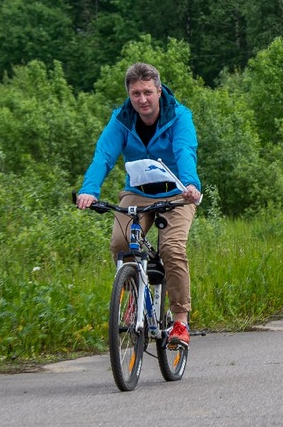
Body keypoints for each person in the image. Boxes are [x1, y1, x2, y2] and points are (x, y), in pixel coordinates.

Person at [75, 63, 202, 348]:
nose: (142, 100)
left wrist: (190, 184)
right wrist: (89, 190)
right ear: (129, 95)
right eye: (135, 94)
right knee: (121, 243)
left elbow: (185, 150)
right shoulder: (122, 119)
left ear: (158, 90)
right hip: (138, 192)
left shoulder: (179, 116)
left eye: (147, 92)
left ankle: (180, 320)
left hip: (177, 193)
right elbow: (104, 155)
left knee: (172, 248)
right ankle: (133, 296)